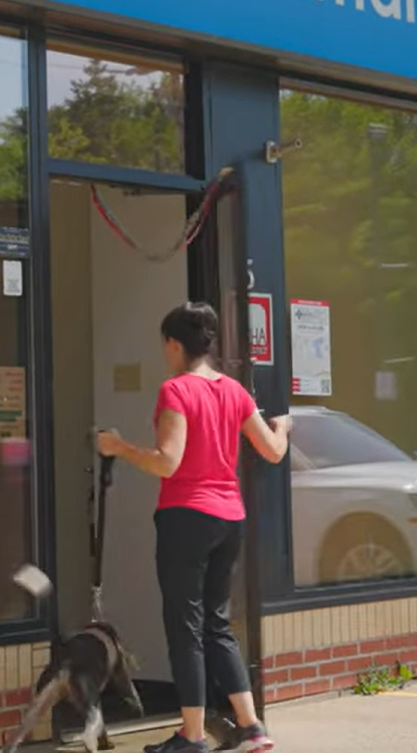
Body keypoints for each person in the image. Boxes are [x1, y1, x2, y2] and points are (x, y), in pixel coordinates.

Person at [97, 302, 293, 753]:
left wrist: (118, 446)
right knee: (216, 624)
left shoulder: (176, 391)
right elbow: (273, 451)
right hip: (230, 518)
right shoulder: (236, 392)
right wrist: (282, 425)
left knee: (185, 627)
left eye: (164, 344)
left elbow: (168, 461)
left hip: (187, 517)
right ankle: (251, 727)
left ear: (173, 343)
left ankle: (191, 734)